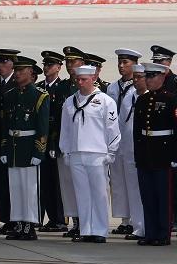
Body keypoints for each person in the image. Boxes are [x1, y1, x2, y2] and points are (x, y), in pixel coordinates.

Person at [59, 66, 121, 243]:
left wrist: (111, 151)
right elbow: (65, 129)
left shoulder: (105, 101)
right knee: (82, 193)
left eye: (84, 79)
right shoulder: (70, 101)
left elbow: (112, 128)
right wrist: (66, 151)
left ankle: (100, 230)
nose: (80, 82)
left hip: (97, 153)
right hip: (76, 152)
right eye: (78, 79)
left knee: (99, 193)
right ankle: (86, 230)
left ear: (93, 78)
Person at [0, 56, 49, 241]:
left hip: (29, 148)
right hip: (13, 147)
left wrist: (39, 151)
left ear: (31, 73)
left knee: (30, 189)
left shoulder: (39, 96)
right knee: (16, 187)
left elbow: (43, 127)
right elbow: (5, 126)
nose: (18, 74)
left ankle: (30, 224)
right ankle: (18, 222)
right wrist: (4, 149)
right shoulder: (10, 95)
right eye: (17, 71)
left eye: (22, 71)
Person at [133, 63, 177, 246]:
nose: (148, 80)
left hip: (163, 155)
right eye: (147, 77)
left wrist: (174, 157)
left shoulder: (171, 100)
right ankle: (150, 232)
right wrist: (138, 156)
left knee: (163, 197)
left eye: (152, 77)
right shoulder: (142, 100)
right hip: (146, 154)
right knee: (148, 196)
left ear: (162, 78)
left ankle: (162, 234)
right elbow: (137, 132)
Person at [107, 49, 144, 238]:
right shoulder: (113, 87)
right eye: (120, 62)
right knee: (119, 182)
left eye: (126, 62)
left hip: (131, 141)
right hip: (117, 140)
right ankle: (124, 219)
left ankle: (136, 221)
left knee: (133, 182)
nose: (121, 66)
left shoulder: (136, 89)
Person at [36, 51, 69, 232]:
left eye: (51, 65)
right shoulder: (39, 87)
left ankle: (60, 218)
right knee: (45, 181)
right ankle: (49, 217)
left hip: (55, 140)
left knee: (58, 182)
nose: (47, 68)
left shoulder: (62, 88)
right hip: (42, 140)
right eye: (45, 64)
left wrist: (56, 143)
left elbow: (60, 119)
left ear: (58, 67)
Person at [0, 49, 19, 233]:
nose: (1, 66)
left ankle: (16, 219)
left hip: (13, 142)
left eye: (4, 62)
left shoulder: (17, 84)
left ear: (13, 65)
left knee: (14, 183)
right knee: (0, 183)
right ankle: (6, 219)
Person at [58, 47, 86, 237]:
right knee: (68, 186)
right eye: (67, 62)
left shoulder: (86, 86)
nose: (70, 65)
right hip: (66, 144)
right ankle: (75, 221)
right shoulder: (62, 87)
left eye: (73, 62)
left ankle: (85, 221)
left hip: (85, 146)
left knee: (83, 187)